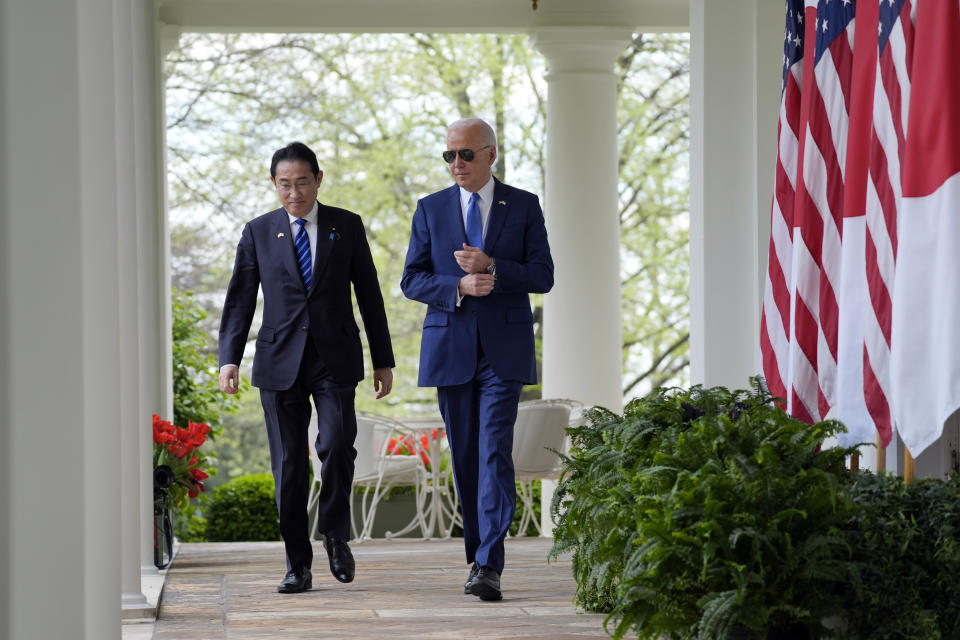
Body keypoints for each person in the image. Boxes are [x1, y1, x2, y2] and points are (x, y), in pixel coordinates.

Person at [218, 141, 395, 594]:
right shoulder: (259, 231)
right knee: (290, 465)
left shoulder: (346, 226)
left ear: (318, 179)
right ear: (273, 184)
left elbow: (369, 295)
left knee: (337, 444)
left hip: (334, 357)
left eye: (301, 182)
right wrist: (229, 357)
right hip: (278, 362)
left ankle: (335, 534)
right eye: (284, 184)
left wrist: (383, 359)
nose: (294, 193)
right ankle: (298, 563)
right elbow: (240, 299)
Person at [400, 118, 554, 601]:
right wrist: (458, 286)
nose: (456, 165)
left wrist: (492, 268)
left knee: (493, 453)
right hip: (451, 349)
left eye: (465, 155)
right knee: (465, 457)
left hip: (503, 354)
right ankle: (478, 554)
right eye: (449, 156)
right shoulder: (430, 209)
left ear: (491, 154)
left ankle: (489, 564)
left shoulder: (523, 205)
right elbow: (412, 280)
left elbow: (543, 275)